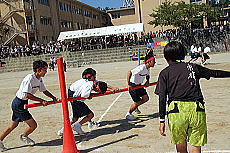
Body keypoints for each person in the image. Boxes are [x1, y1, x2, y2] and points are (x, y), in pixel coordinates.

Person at [154, 41, 230, 153]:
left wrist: (161, 120)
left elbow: (162, 98)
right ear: (183, 54)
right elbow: (214, 73)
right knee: (195, 148)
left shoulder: (164, 73)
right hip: (196, 110)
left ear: (166, 57)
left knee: (181, 149)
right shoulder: (193, 67)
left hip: (176, 112)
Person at [0, 60, 58, 151]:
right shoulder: (29, 79)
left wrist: (53, 97)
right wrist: (42, 101)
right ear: (38, 70)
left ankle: (0, 140)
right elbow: (27, 95)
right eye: (44, 70)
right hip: (18, 103)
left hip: (22, 103)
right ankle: (24, 136)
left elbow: (44, 90)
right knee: (33, 125)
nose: (46, 72)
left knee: (13, 125)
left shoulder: (39, 79)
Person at [57, 68, 118, 136]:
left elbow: (103, 85)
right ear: (89, 76)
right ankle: (76, 126)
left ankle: (63, 130)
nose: (95, 78)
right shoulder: (89, 84)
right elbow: (84, 95)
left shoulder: (93, 82)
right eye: (94, 76)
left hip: (75, 96)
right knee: (90, 115)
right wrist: (91, 95)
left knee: (75, 118)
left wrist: (113, 88)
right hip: (74, 97)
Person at [125, 50, 156, 120]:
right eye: (153, 61)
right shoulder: (141, 68)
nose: (155, 63)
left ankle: (135, 106)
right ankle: (128, 113)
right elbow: (129, 72)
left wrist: (147, 81)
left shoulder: (148, 68)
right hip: (133, 85)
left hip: (139, 85)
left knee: (146, 98)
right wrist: (128, 84)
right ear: (148, 62)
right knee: (137, 101)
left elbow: (147, 75)